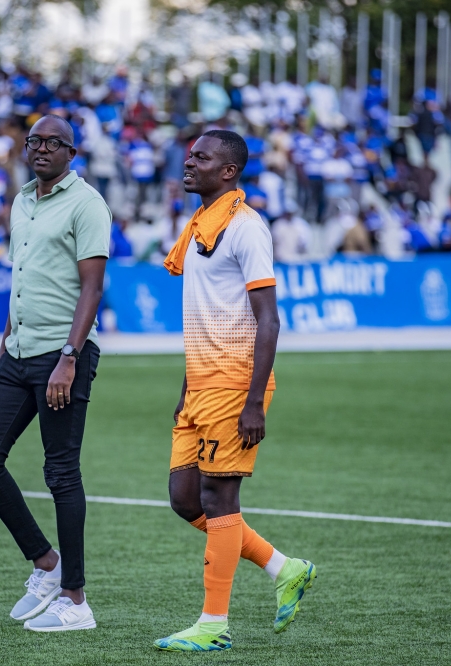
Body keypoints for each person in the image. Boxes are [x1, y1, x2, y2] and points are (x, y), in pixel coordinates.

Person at [155, 129, 314, 652]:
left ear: (228, 171)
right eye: (191, 153)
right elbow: (203, 312)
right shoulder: (200, 224)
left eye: (202, 156)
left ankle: (212, 624)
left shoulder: (247, 228)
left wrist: (252, 400)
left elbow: (267, 319)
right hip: (200, 382)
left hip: (234, 384)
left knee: (220, 498)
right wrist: (185, 385)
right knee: (184, 499)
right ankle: (283, 567)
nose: (190, 160)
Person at [0, 115, 111, 633]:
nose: (42, 148)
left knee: (60, 472)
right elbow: (21, 277)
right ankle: (47, 566)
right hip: (18, 352)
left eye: (54, 142)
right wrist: (5, 338)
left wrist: (70, 357)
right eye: (35, 141)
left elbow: (92, 288)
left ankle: (76, 600)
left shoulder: (87, 203)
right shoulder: (21, 201)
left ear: (73, 152)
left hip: (62, 355)